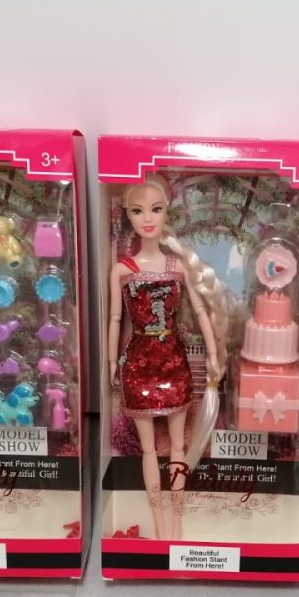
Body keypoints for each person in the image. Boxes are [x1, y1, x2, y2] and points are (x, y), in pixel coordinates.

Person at [107, 175, 227, 540]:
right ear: (127, 214)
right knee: (148, 450)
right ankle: (158, 521)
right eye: (138, 211)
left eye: (155, 209)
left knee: (178, 446)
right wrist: (111, 362)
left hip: (174, 364)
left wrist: (213, 352)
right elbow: (116, 319)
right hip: (138, 365)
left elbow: (201, 311)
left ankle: (176, 520)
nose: (148, 218)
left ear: (166, 213)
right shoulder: (122, 270)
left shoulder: (177, 267)